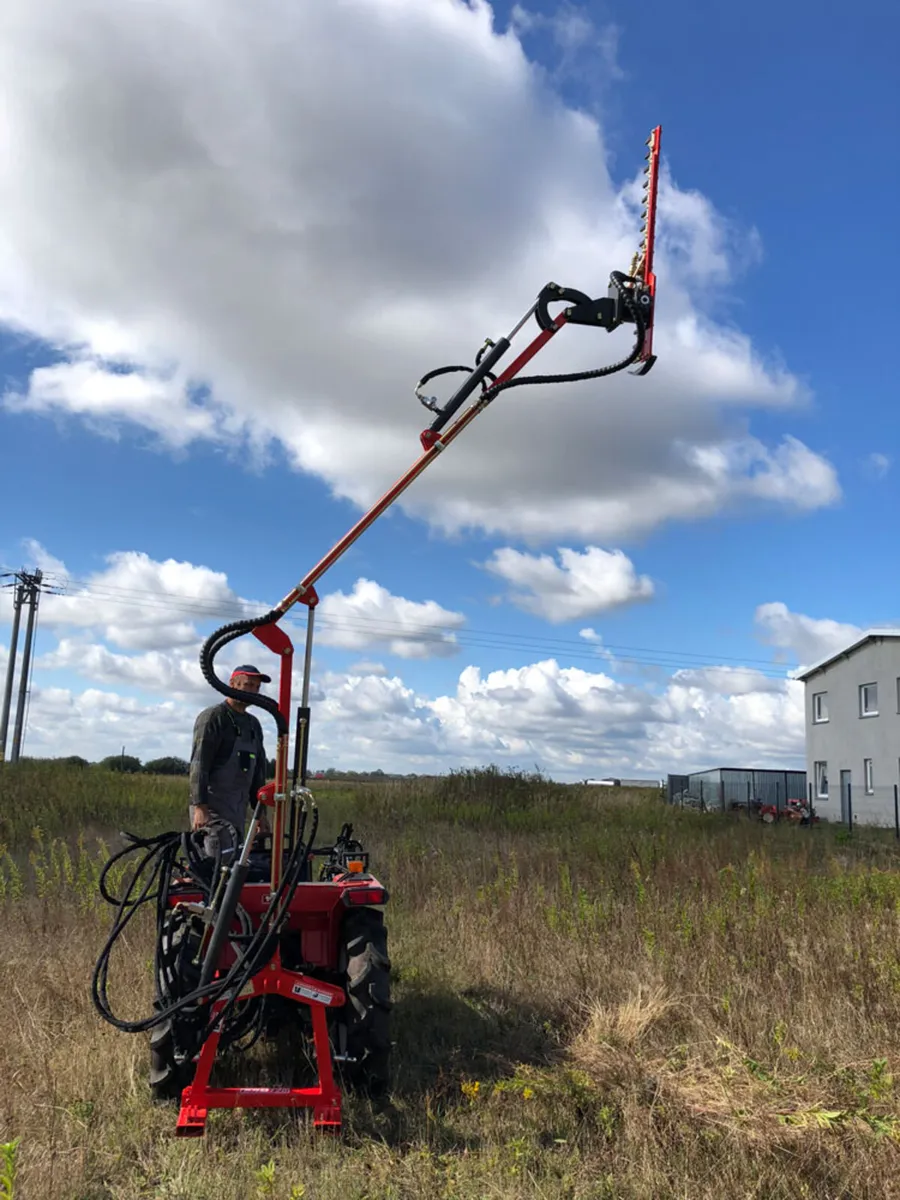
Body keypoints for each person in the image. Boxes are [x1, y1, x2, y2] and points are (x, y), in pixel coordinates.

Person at [189, 664, 271, 846]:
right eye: (248, 685)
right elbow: (199, 765)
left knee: (237, 866)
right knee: (215, 865)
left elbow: (258, 773)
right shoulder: (214, 717)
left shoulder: (253, 724)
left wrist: (261, 814)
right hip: (213, 812)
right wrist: (200, 807)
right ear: (232, 684)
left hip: (238, 810)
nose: (253, 691)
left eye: (256, 687)